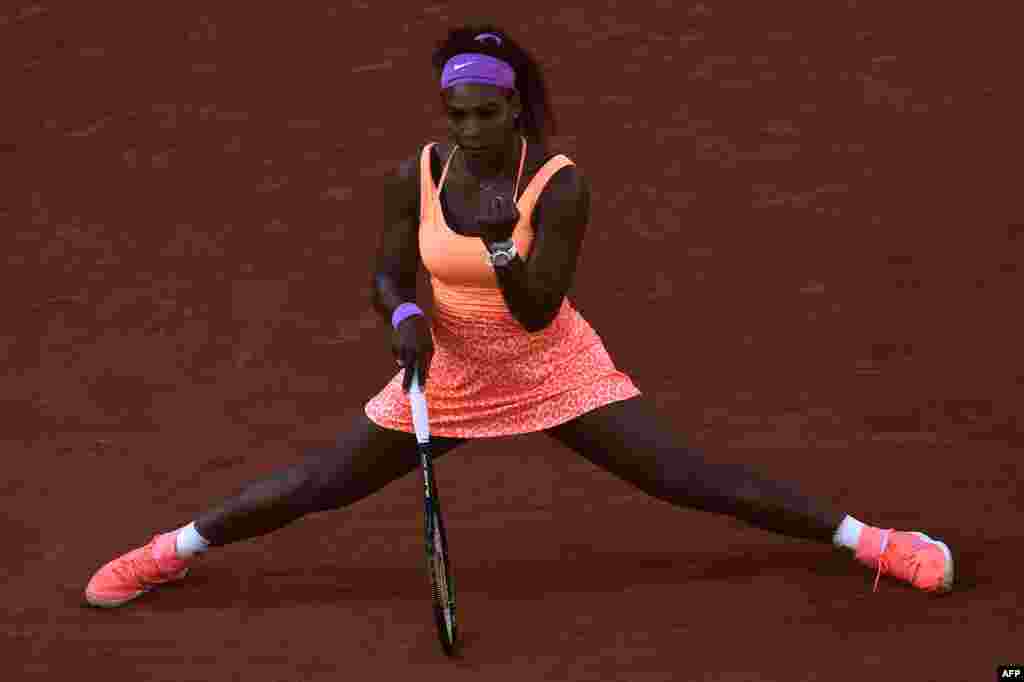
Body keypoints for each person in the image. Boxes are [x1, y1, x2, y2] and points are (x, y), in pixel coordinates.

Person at [84, 24, 953, 609]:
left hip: (552, 367)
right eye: (455, 114)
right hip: (453, 370)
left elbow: (537, 313)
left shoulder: (559, 184)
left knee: (685, 478)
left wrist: (501, 246)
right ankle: (171, 551)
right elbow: (391, 268)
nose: (469, 130)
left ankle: (871, 539)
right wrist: (401, 322)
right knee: (320, 485)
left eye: (486, 114)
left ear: (515, 108)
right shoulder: (415, 172)